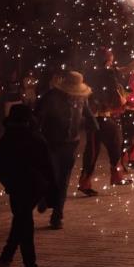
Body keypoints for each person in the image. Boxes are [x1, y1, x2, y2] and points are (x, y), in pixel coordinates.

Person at [0, 103, 56, 267]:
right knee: (21, 222)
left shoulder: (6, 140)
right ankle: (9, 257)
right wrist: (50, 194)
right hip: (35, 187)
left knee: (24, 228)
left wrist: (8, 184)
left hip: (19, 188)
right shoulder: (37, 138)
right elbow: (48, 168)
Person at [35, 70, 97, 228]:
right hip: (52, 143)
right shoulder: (51, 96)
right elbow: (37, 116)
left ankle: (57, 216)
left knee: (63, 180)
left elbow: (89, 115)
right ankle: (44, 197)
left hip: (71, 145)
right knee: (51, 176)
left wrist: (95, 126)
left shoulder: (81, 98)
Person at [79, 49, 132, 195]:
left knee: (115, 144)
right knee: (92, 152)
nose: (112, 59)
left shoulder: (108, 72)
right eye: (109, 57)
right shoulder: (97, 73)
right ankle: (85, 184)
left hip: (104, 116)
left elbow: (126, 69)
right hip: (95, 117)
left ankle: (117, 176)